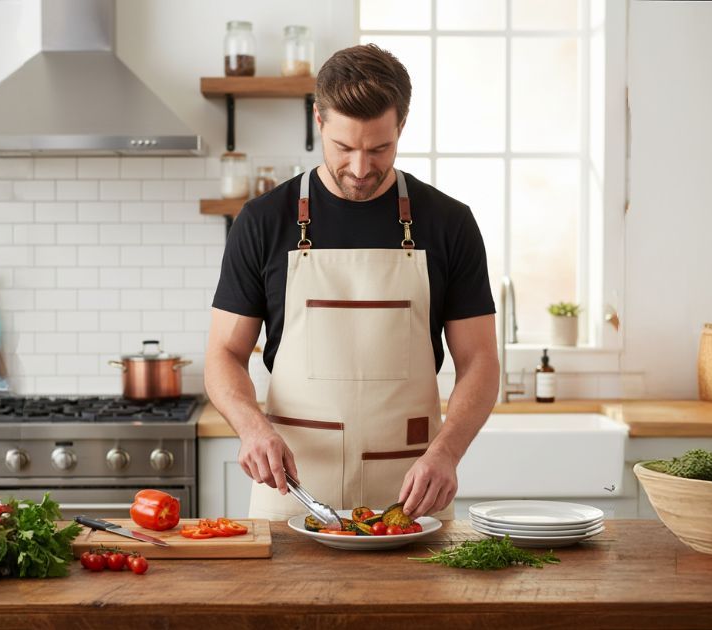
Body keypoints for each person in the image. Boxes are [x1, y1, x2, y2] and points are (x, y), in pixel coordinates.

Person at [205, 44, 499, 521]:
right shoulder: (262, 221)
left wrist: (447, 453)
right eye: (344, 148)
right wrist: (251, 428)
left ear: (401, 127)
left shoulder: (450, 223)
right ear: (318, 120)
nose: (361, 169)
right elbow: (223, 353)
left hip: (412, 499)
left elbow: (481, 361)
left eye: (379, 148)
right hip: (293, 494)